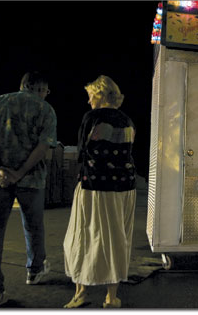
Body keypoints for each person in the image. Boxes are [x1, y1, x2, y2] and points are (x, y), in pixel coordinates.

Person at [0, 71, 57, 308]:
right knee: (33, 225)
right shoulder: (45, 110)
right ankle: (34, 270)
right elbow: (43, 146)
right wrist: (20, 173)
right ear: (39, 88)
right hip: (30, 180)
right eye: (46, 91)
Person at [63, 75, 137, 308]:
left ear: (101, 94)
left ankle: (81, 292)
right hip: (125, 186)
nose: (88, 101)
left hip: (94, 186)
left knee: (82, 236)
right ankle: (111, 296)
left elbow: (83, 151)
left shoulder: (92, 118)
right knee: (117, 238)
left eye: (90, 96)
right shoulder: (128, 120)